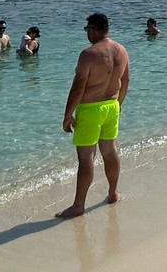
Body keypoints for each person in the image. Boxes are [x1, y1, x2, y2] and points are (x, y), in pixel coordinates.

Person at [55, 12, 130, 219]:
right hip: (112, 105)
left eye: (87, 29)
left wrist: (67, 115)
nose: (87, 33)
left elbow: (78, 87)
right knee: (110, 150)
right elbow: (125, 80)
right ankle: (113, 193)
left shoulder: (88, 54)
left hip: (90, 109)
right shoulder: (122, 50)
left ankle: (78, 206)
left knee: (86, 156)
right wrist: (119, 104)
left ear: (94, 30)